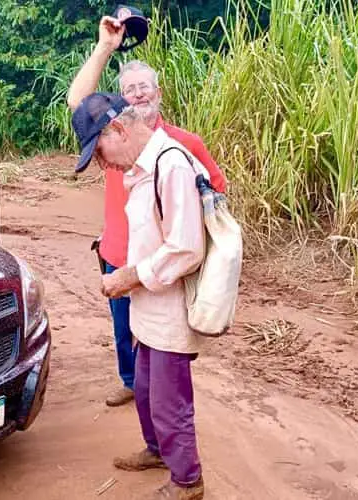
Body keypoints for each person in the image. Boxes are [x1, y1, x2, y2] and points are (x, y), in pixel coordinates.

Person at [67, 14, 226, 407]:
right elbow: (78, 103)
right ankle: (131, 384)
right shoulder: (111, 140)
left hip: (160, 266)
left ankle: (160, 412)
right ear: (121, 103)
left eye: (144, 87)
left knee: (163, 352)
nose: (138, 94)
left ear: (159, 92)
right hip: (116, 256)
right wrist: (106, 46)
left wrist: (199, 255)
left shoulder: (183, 144)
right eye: (129, 89)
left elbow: (215, 198)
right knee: (124, 333)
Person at [72, 92, 206, 499]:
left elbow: (187, 248)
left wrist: (129, 276)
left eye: (99, 152)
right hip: (149, 308)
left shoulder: (170, 165)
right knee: (146, 392)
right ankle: (157, 451)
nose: (101, 164)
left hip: (169, 309)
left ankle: (187, 482)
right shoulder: (142, 168)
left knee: (169, 402)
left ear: (117, 129)